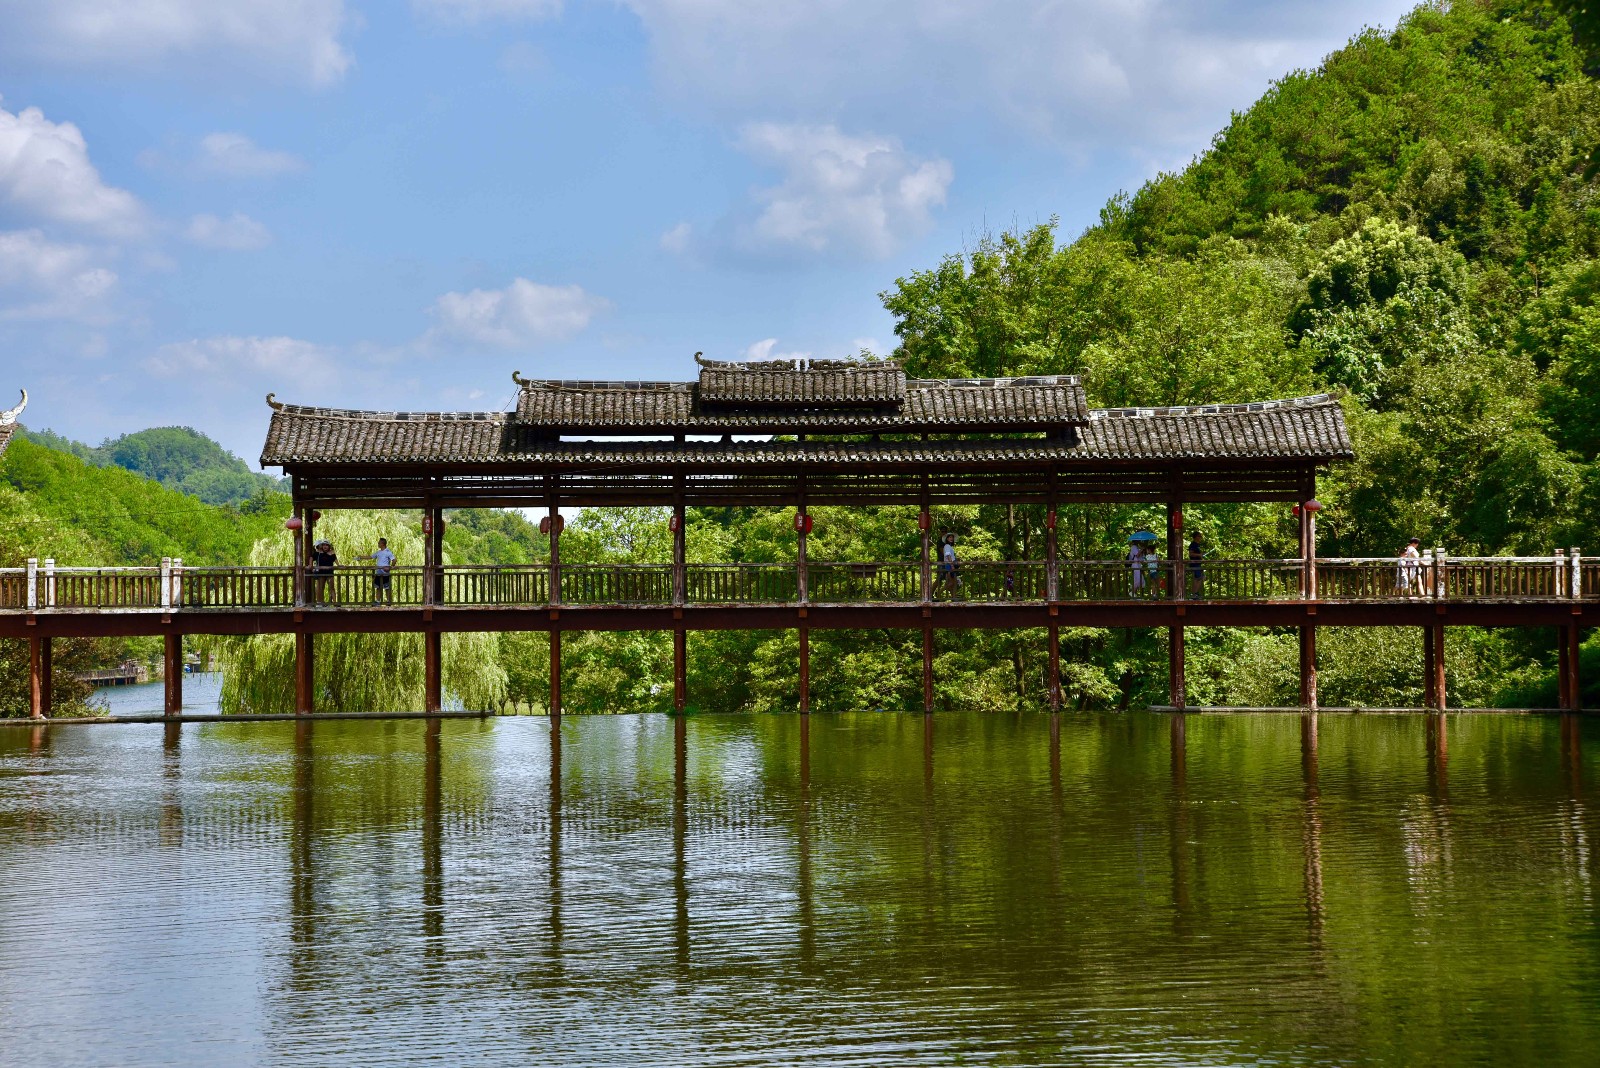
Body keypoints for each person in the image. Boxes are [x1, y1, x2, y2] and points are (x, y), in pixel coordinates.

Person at [357, 537, 396, 604]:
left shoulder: (388, 552)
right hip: (378, 573)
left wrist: (390, 568)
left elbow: (394, 560)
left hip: (385, 574)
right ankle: (378, 601)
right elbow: (370, 557)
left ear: (383, 544)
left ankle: (388, 601)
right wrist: (360, 557)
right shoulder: (378, 552)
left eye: (379, 543)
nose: (378, 544)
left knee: (387, 588)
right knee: (378, 588)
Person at [310, 538, 338, 604]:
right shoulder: (318, 553)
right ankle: (321, 602)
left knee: (332, 588)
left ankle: (335, 602)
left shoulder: (331, 553)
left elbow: (335, 559)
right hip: (321, 573)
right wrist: (311, 565)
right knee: (321, 588)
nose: (325, 546)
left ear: (329, 546)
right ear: (322, 546)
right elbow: (311, 557)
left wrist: (339, 565)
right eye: (324, 545)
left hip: (330, 573)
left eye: (327, 545)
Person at [939, 533, 961, 598]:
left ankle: (953, 597)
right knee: (951, 582)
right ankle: (939, 593)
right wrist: (952, 565)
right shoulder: (947, 546)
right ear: (947, 539)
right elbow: (948, 555)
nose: (951, 538)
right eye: (949, 537)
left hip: (949, 564)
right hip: (949, 565)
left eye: (952, 537)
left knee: (952, 582)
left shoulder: (949, 546)